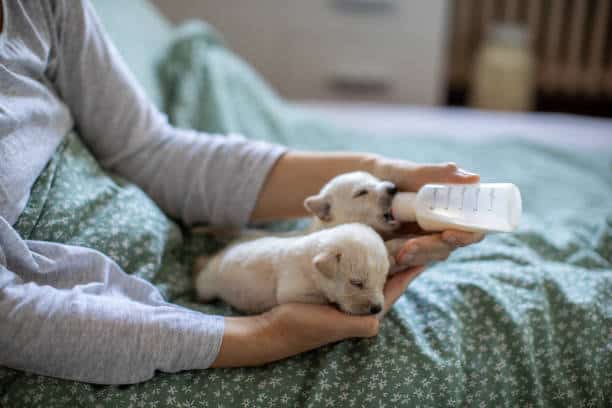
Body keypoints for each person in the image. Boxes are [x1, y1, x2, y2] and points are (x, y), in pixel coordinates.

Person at [0, 0, 483, 384]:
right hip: (107, 338)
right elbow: (13, 319)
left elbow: (146, 150)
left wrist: (385, 174)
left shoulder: (39, 6)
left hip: (185, 260)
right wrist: (264, 335)